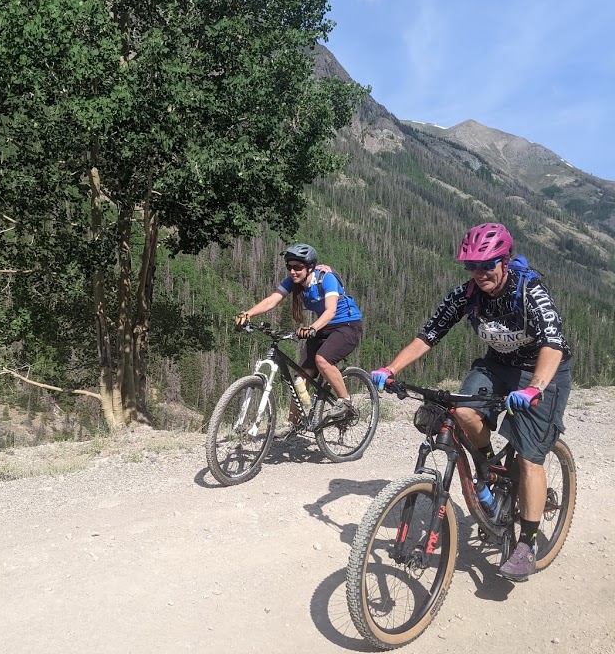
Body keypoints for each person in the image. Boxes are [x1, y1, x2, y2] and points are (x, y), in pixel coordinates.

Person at [371, 222, 572, 582]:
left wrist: (535, 388)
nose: (479, 274)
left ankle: (526, 544)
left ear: (504, 261)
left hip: (543, 370)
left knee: (529, 459)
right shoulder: (466, 295)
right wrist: (391, 368)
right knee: (462, 410)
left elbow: (553, 343)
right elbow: (428, 335)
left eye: (487, 265)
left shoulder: (529, 291)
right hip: (497, 366)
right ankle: (487, 470)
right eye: (471, 267)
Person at [234, 243, 363, 437]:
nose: (293, 271)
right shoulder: (293, 282)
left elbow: (331, 310)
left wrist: (312, 328)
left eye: (298, 267)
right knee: (301, 377)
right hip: (322, 327)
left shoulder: (325, 279)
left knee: (322, 360)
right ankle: (293, 424)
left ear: (309, 267)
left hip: (347, 326)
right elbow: (272, 300)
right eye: (289, 267)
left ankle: (345, 400)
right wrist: (248, 314)